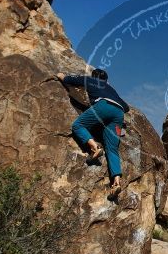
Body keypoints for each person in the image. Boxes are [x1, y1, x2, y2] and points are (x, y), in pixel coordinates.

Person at [56, 68, 130, 198]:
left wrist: (61, 75)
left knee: (78, 125)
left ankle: (95, 148)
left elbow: (70, 80)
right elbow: (127, 107)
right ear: (106, 80)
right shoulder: (111, 89)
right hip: (119, 113)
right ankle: (116, 182)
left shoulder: (90, 80)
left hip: (104, 106)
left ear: (94, 76)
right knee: (112, 149)